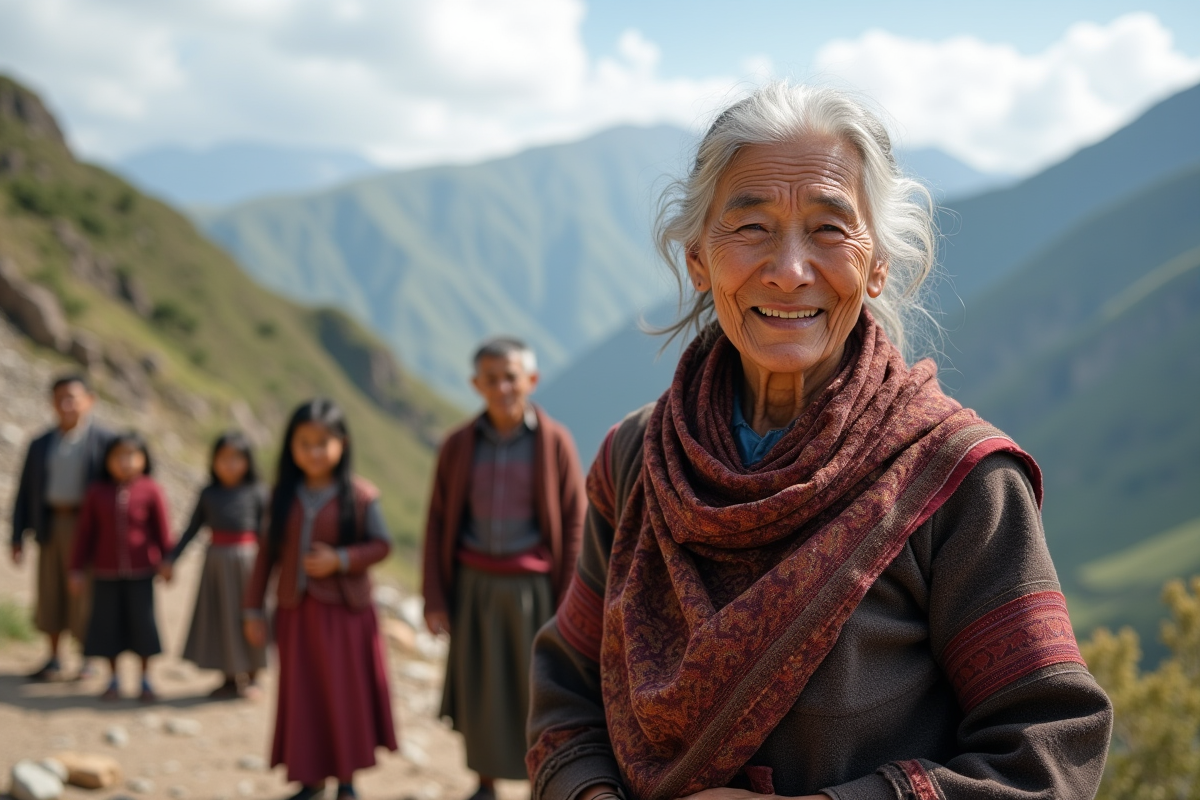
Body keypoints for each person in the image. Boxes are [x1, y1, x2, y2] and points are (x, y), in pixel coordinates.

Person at [527, 82, 1113, 800]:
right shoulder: (637, 459)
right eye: (751, 226)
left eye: (829, 230)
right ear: (698, 259)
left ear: (877, 265)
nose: (790, 270)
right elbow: (567, 694)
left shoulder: (956, 483)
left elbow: (1049, 751)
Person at [423, 337, 586, 800]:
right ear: (476, 385)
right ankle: (485, 782)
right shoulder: (459, 445)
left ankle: (540, 780)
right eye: (490, 379)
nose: (502, 388)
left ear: (531, 380)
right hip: (473, 586)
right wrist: (434, 597)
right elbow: (437, 521)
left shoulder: (553, 442)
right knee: (480, 688)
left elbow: (575, 521)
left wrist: (571, 600)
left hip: (533, 590)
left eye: (511, 377)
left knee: (537, 691)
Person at [243, 398, 396, 800]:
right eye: (304, 443)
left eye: (322, 443)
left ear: (342, 443)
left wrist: (341, 559)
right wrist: (252, 609)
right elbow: (266, 555)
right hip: (296, 613)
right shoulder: (281, 496)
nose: (313, 452)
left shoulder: (361, 495)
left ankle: (346, 782)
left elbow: (382, 545)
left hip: (346, 616)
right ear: (291, 446)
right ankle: (310, 780)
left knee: (344, 695)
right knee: (303, 695)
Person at [10, 374, 114, 682]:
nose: (66, 405)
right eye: (60, 398)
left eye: (72, 398)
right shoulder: (41, 443)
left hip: (88, 528)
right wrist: (17, 536)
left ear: (89, 401)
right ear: (52, 403)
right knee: (50, 590)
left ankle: (87, 658)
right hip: (51, 524)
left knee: (85, 593)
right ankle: (54, 657)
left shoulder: (105, 441)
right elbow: (25, 491)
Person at [161, 431, 268, 699]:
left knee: (251, 616)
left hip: (248, 563)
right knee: (222, 619)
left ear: (247, 462)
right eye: (223, 458)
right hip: (216, 563)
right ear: (213, 461)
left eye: (236, 458)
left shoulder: (257, 492)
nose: (229, 465)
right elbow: (192, 528)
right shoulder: (209, 493)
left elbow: (268, 533)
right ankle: (229, 678)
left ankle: (254, 676)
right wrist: (172, 558)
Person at [69, 431, 172, 702]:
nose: (125, 462)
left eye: (132, 455)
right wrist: (76, 569)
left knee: (143, 625)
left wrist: (167, 562)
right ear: (107, 460)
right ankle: (113, 678)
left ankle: (145, 679)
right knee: (107, 626)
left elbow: (162, 531)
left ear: (144, 459)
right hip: (104, 572)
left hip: (141, 572)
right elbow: (84, 534)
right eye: (118, 456)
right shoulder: (96, 492)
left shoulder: (151, 489)